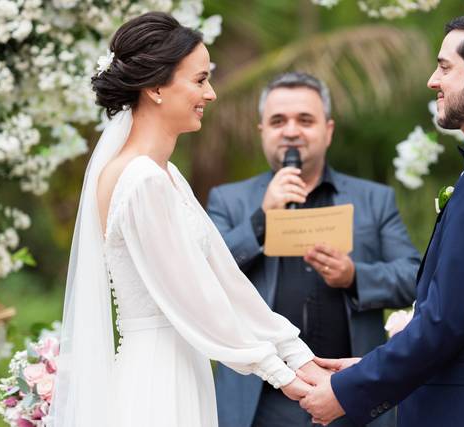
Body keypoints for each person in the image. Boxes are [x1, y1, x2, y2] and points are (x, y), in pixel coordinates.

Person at [50, 12, 327, 427]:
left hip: (184, 365)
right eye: (200, 80)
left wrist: (296, 352)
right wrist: (280, 373)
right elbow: (194, 298)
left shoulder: (165, 174)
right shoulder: (141, 180)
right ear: (156, 87)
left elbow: (222, 276)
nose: (211, 93)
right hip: (158, 377)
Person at [299, 12, 464, 427]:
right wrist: (366, 367)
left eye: (444, 67)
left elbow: (444, 323)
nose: (432, 80)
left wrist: (346, 392)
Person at [207, 72, 420, 427]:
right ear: (262, 131)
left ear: (328, 130)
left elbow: (415, 278)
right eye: (278, 121)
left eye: (305, 120)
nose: (291, 130)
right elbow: (202, 277)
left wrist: (355, 276)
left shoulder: (374, 200)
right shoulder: (228, 201)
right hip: (260, 401)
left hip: (352, 395)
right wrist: (261, 220)